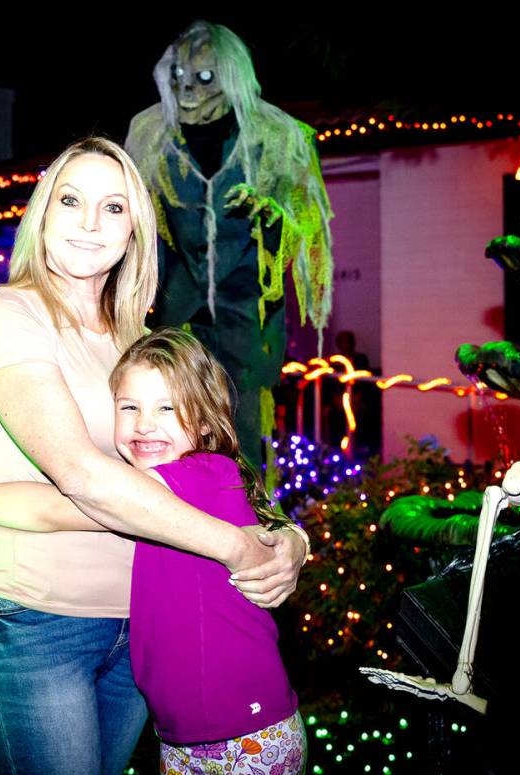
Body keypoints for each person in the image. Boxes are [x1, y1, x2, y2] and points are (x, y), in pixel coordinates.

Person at [0, 136, 308, 775]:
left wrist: (290, 540)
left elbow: (216, 471)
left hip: (143, 631)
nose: (90, 222)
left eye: (113, 207)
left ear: (135, 229)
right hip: (35, 622)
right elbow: (82, 475)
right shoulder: (7, 314)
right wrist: (238, 549)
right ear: (42, 213)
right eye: (71, 200)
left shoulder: (142, 344)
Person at [125, 21, 334, 469]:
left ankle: (246, 526)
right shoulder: (150, 134)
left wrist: (272, 218)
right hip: (175, 309)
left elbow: (307, 226)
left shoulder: (278, 137)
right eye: (180, 77)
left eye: (204, 78)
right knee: (170, 420)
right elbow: (134, 220)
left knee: (242, 439)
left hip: (247, 314)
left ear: (232, 75)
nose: (189, 89)